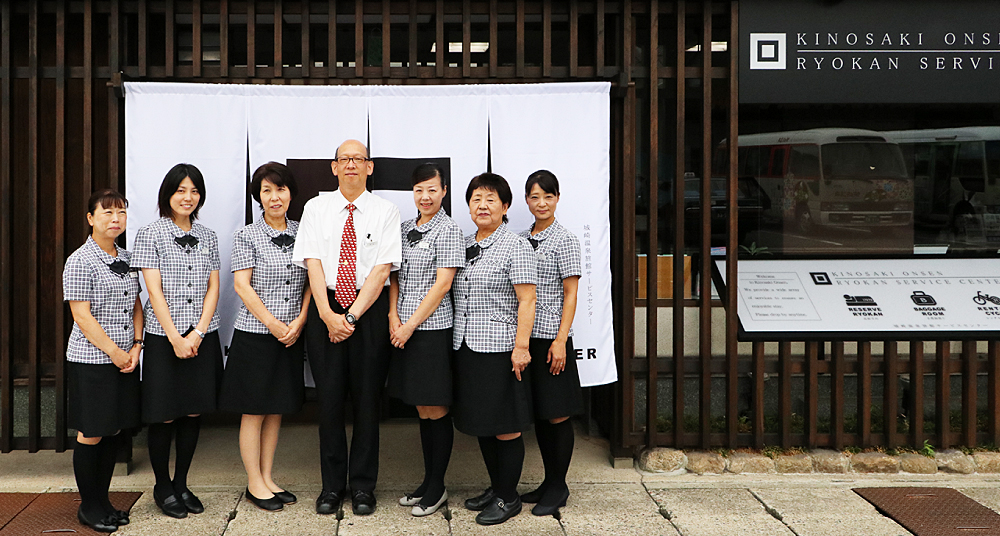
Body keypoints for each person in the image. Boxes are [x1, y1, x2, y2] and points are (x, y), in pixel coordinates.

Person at [292, 139, 402, 516]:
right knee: (329, 402)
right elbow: (312, 262)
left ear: (369, 167)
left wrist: (351, 317)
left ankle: (363, 487)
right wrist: (326, 314)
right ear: (334, 167)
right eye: (344, 159)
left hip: (366, 313)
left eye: (358, 159)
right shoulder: (316, 207)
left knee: (368, 402)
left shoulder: (386, 210)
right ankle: (331, 487)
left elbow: (382, 270)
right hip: (326, 308)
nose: (351, 164)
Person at [218, 162, 311, 511]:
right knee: (254, 410)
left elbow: (312, 282)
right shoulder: (247, 236)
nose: (275, 197)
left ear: (291, 194)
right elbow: (242, 286)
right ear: (258, 196)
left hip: (291, 333)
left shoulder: (305, 231)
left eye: (281, 189)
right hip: (257, 335)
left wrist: (300, 320)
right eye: (267, 191)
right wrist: (273, 324)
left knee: (276, 410)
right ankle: (254, 483)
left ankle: (268, 477)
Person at [133, 163, 223, 519]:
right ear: (167, 194)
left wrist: (198, 332)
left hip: (202, 336)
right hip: (162, 336)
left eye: (194, 191)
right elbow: (151, 290)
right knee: (165, 415)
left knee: (192, 410)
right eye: (180, 190)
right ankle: (162, 484)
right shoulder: (150, 233)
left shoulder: (209, 235)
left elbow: (214, 287)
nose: (188, 197)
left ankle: (182, 483)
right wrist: (174, 336)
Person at [452, 173, 537, 526]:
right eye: (476, 199)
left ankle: (508, 497)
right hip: (467, 345)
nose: (482, 205)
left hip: (501, 349)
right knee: (483, 423)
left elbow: (527, 299)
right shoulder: (466, 243)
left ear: (505, 207)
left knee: (505, 425)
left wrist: (521, 347)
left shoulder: (516, 246)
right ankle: (497, 487)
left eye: (490, 199)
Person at [63, 189, 143, 533]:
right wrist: (114, 352)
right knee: (92, 432)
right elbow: (82, 315)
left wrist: (137, 346)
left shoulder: (125, 256)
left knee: (112, 430)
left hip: (125, 357)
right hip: (92, 360)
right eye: (108, 213)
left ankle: (105, 501)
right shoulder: (80, 260)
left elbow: (137, 304)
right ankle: (89, 505)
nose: (116, 219)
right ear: (91, 218)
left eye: (121, 213)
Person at [387, 163, 464, 517]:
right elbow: (394, 279)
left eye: (432, 189)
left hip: (431, 330)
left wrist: (410, 325)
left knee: (436, 406)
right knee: (420, 406)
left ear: (444, 191)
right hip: (402, 327)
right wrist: (393, 316)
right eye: (419, 190)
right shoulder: (403, 229)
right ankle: (427, 480)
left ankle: (438, 485)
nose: (425, 196)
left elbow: (442, 285)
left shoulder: (449, 230)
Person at [518, 170, 584, 516]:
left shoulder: (566, 240)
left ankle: (559, 486)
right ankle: (548, 481)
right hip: (527, 339)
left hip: (552, 339)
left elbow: (571, 294)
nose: (541, 203)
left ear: (558, 198)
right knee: (543, 414)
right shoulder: (519, 238)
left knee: (557, 414)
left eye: (547, 196)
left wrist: (561, 340)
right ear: (526, 201)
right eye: (534, 197)